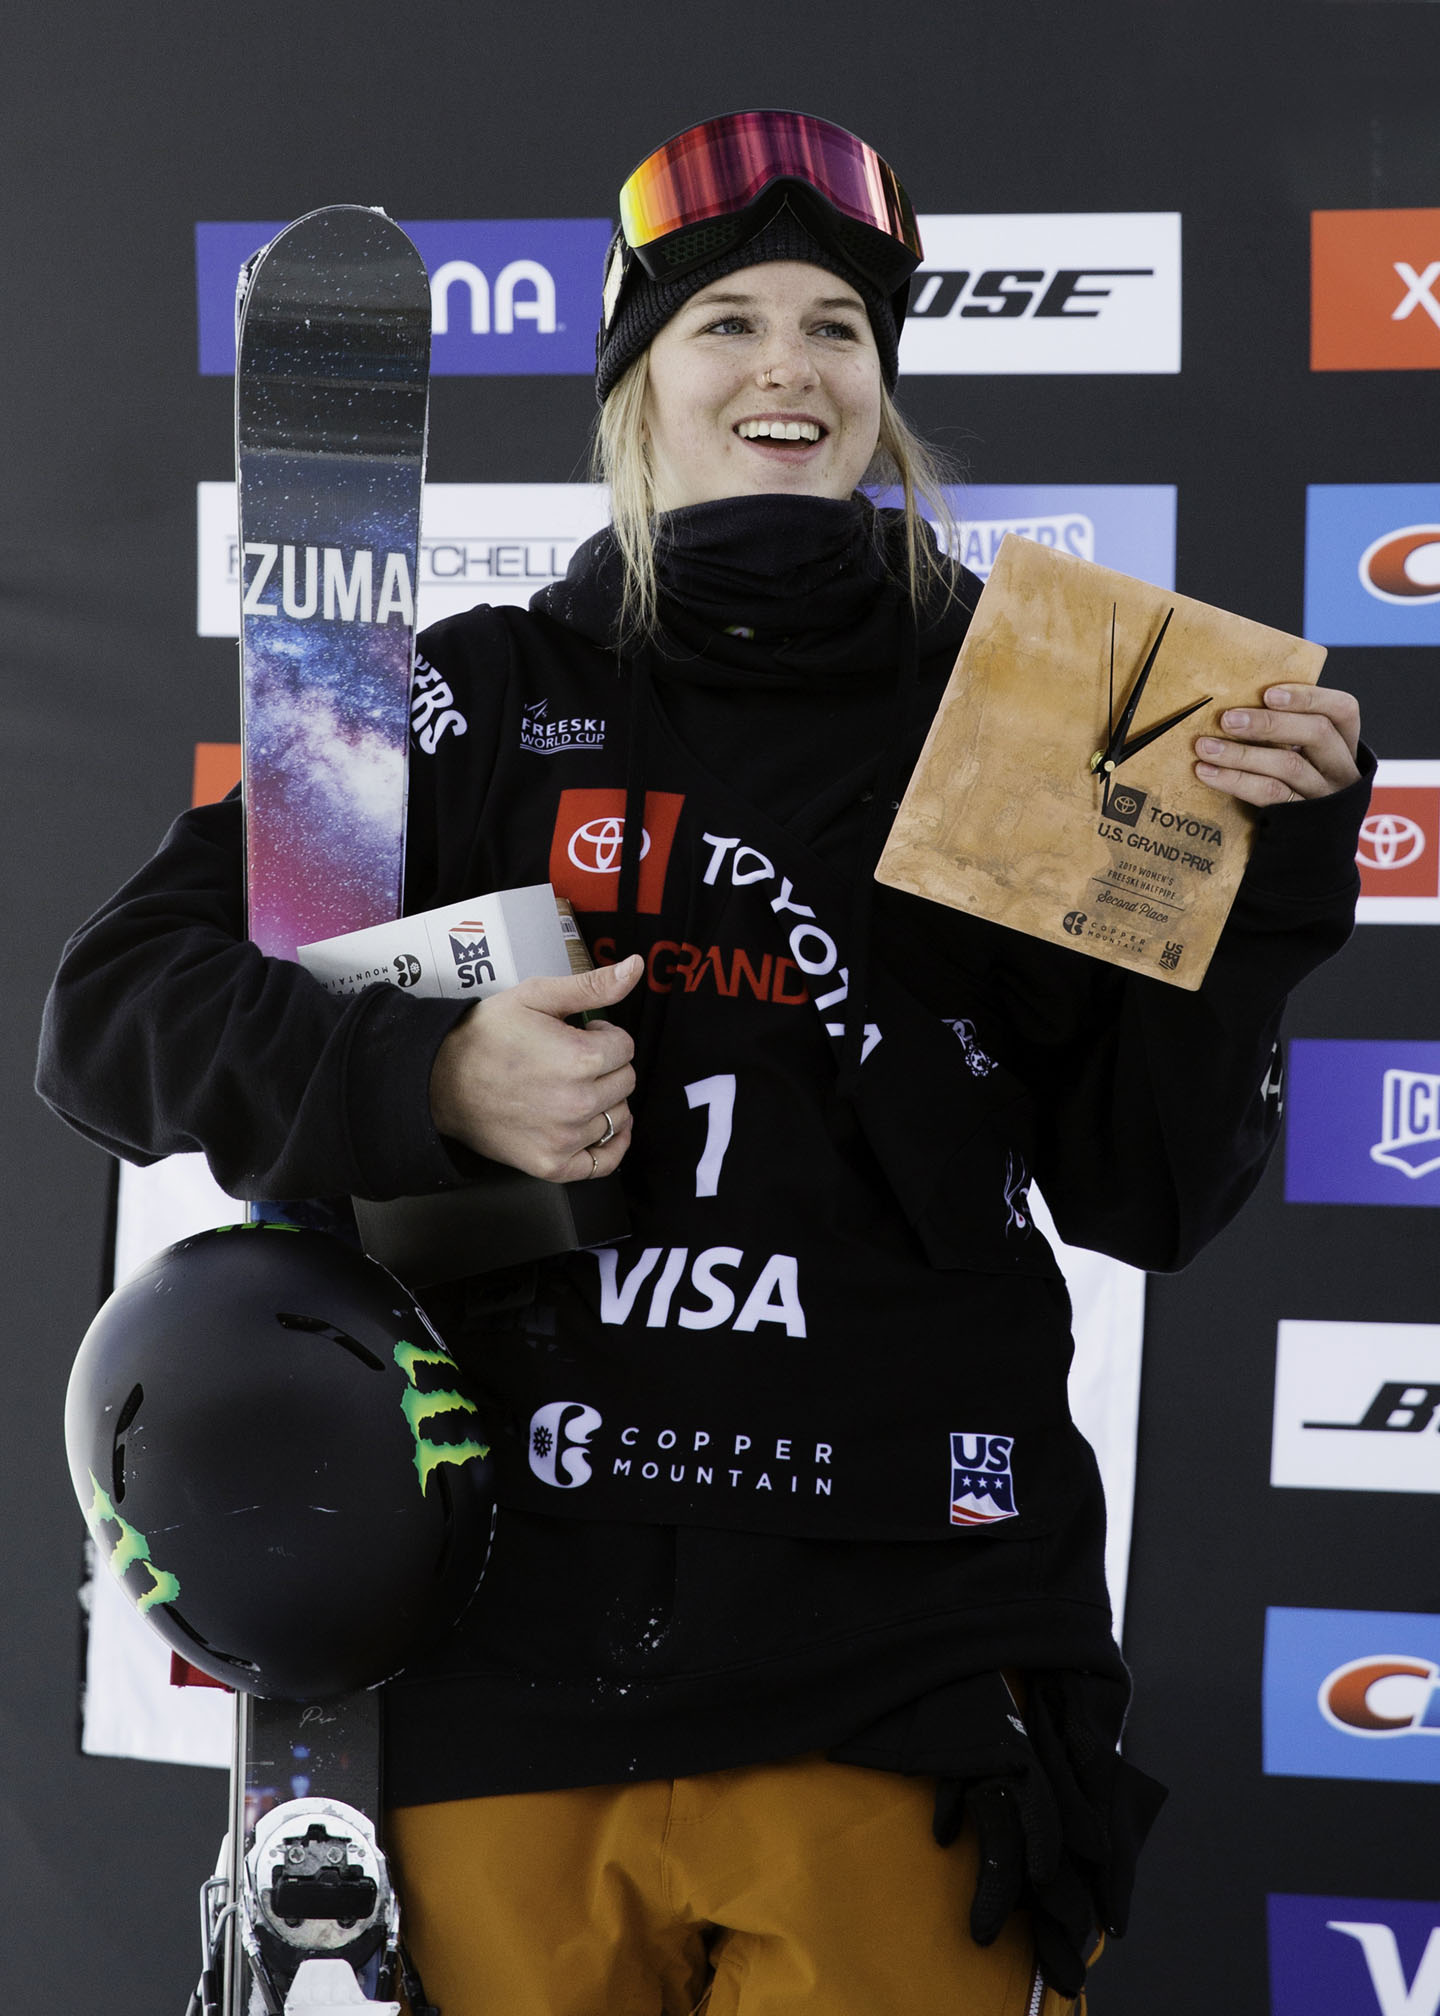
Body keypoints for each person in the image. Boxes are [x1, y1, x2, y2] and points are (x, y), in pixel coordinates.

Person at [39, 109, 1368, 2016]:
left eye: (836, 328)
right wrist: (431, 1076)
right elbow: (114, 1012)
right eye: (725, 324)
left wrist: (1264, 895)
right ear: (637, 386)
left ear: (882, 387)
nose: (785, 368)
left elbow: (1143, 1185)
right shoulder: (474, 698)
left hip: (902, 1659)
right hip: (505, 1658)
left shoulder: (1031, 712)